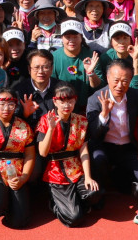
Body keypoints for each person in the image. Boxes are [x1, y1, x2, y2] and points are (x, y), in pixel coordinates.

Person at [38, 84, 102, 227]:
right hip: (56, 172)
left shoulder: (81, 120)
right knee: (75, 218)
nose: (66, 105)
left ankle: (75, 202)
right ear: (55, 102)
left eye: (70, 101)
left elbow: (83, 150)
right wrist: (51, 129)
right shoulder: (46, 119)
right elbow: (42, 152)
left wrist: (88, 176)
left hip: (76, 169)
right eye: (62, 101)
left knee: (95, 194)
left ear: (75, 101)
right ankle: (54, 204)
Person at [0, 86, 36, 228]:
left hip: (16, 172)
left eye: (10, 104)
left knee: (20, 222)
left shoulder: (24, 126)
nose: (6, 108)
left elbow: (29, 155)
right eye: (2, 104)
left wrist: (23, 177)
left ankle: (9, 203)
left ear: (15, 106)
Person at [86, 59, 138, 195]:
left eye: (125, 81)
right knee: (98, 159)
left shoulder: (135, 96)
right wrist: (104, 114)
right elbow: (94, 134)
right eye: (116, 80)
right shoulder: (95, 99)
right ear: (108, 78)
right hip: (104, 146)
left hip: (128, 148)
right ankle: (100, 193)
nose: (120, 85)